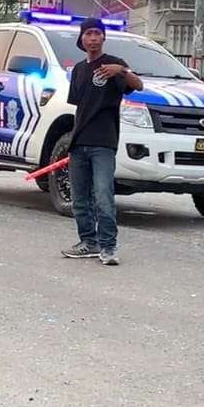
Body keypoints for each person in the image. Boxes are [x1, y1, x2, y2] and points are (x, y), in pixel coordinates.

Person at [61, 17, 143, 266]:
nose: (93, 38)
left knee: (103, 196)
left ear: (104, 37)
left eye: (98, 33)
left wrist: (123, 71)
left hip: (104, 141)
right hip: (79, 142)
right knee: (79, 198)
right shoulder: (78, 69)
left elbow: (138, 85)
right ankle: (88, 242)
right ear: (82, 39)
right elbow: (78, 105)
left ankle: (109, 246)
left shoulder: (114, 65)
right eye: (89, 34)